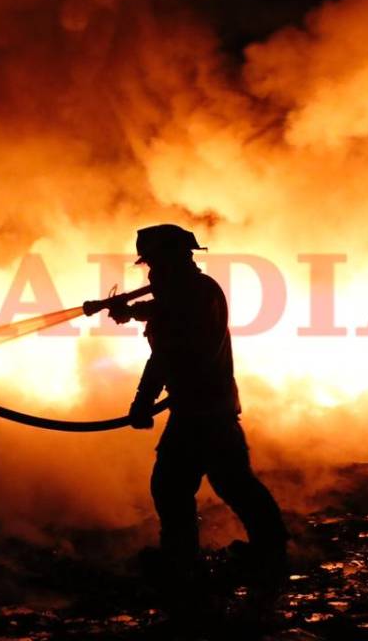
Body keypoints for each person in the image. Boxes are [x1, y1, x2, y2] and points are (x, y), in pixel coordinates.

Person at [110, 224, 288, 580]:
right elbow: (166, 310)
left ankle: (183, 563)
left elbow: (165, 355)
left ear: (168, 259)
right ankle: (270, 550)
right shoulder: (196, 290)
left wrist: (143, 401)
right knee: (232, 483)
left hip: (199, 412)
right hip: (211, 407)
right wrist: (131, 312)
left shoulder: (186, 296)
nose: (151, 271)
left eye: (154, 263)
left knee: (173, 487)